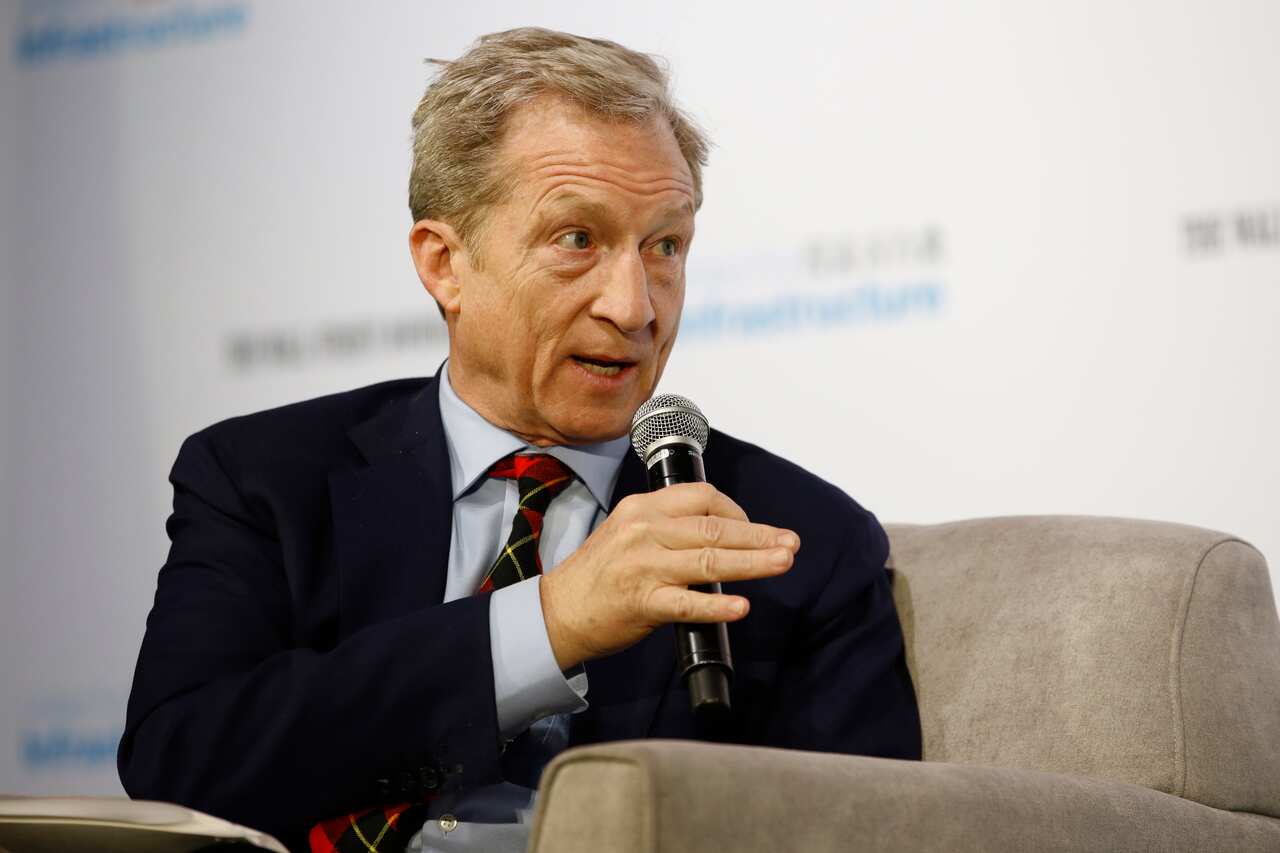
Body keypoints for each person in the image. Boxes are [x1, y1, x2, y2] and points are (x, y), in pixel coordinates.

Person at [118, 27, 921, 853]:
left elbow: (871, 828)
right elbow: (180, 758)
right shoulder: (266, 478)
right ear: (444, 264)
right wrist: (546, 626)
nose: (636, 307)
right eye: (578, 239)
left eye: (665, 246)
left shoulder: (797, 542)